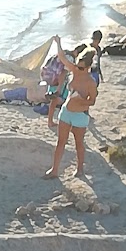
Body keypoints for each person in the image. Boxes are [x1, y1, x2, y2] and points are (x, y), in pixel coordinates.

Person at [45, 37, 98, 178]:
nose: (78, 69)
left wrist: (81, 100)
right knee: (60, 141)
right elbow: (62, 58)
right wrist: (59, 43)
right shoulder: (74, 70)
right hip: (66, 112)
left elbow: (92, 101)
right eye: (77, 65)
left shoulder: (90, 82)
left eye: (81, 68)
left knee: (78, 143)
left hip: (80, 116)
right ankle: (54, 170)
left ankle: (80, 169)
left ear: (87, 68)